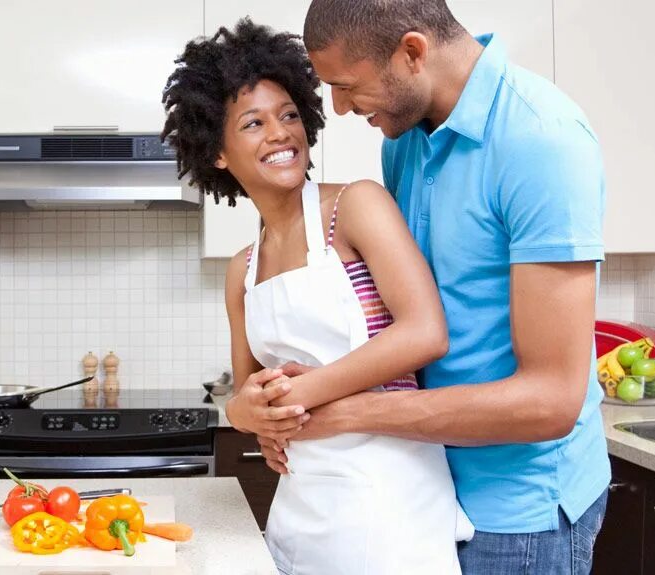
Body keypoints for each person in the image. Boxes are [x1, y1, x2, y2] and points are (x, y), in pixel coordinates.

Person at [250, 1, 610, 573]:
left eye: (346, 86)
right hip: (421, 488)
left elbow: (550, 402)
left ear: (412, 52)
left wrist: (347, 412)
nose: (339, 108)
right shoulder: (405, 139)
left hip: (518, 513)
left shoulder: (541, 141)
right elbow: (399, 316)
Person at [162, 17, 473, 575]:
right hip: (301, 511)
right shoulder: (243, 269)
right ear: (217, 153)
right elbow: (245, 397)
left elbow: (426, 331)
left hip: (389, 503)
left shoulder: (356, 206)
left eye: (288, 116)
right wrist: (247, 411)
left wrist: (297, 401)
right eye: (252, 123)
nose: (280, 134)